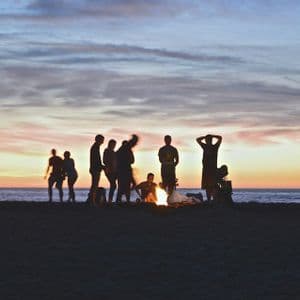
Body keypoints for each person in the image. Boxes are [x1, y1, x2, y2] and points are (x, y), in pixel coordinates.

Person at [196, 134, 222, 202]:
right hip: (206, 169)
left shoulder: (215, 147)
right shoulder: (204, 146)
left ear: (211, 140)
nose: (208, 141)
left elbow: (220, 138)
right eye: (207, 140)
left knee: (213, 186)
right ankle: (209, 200)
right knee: (207, 186)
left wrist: (212, 136)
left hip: (213, 169)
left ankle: (214, 200)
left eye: (209, 140)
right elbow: (198, 140)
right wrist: (205, 137)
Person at [116, 134, 139, 203]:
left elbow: (132, 160)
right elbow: (132, 160)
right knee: (123, 186)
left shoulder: (121, 151)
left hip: (124, 170)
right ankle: (121, 200)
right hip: (124, 170)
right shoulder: (125, 149)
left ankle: (123, 200)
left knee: (125, 186)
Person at [89, 134, 105, 206]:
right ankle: (92, 201)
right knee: (95, 185)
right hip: (95, 169)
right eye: (102, 140)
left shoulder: (96, 147)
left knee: (94, 185)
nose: (102, 142)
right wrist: (102, 167)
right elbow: (96, 160)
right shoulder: (95, 148)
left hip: (95, 168)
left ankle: (92, 200)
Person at [103, 139, 117, 203]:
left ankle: (110, 200)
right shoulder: (107, 151)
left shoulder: (113, 152)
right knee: (113, 185)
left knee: (113, 185)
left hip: (114, 170)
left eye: (114, 145)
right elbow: (105, 161)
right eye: (113, 144)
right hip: (109, 170)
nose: (114, 146)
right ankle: (110, 200)